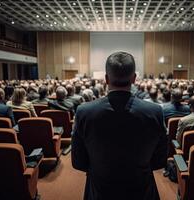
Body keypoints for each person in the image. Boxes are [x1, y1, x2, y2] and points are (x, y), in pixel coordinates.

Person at [72, 52, 168, 200]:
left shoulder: (84, 112)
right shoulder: (155, 112)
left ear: (106, 79)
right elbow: (160, 160)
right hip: (141, 190)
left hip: (100, 191)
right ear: (134, 78)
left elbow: (78, 162)